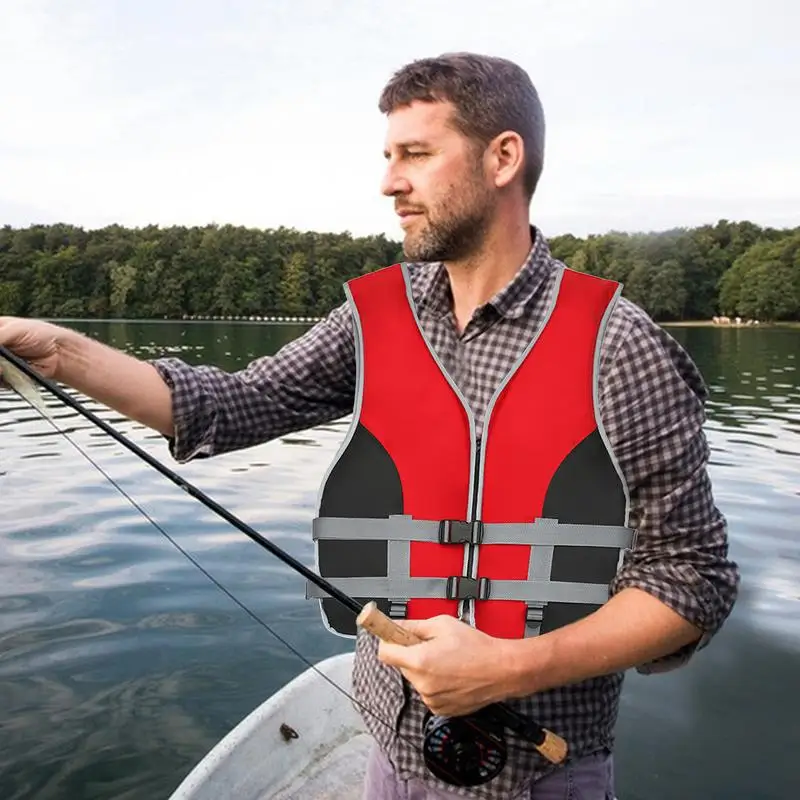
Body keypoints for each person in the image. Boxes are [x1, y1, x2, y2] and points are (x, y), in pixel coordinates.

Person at [0, 52, 739, 799]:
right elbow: (226, 405)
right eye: (388, 157)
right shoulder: (373, 317)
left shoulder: (621, 345)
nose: (389, 182)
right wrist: (58, 352)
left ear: (503, 158)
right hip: (388, 750)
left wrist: (509, 667)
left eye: (415, 154)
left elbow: (694, 582)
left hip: (542, 773)